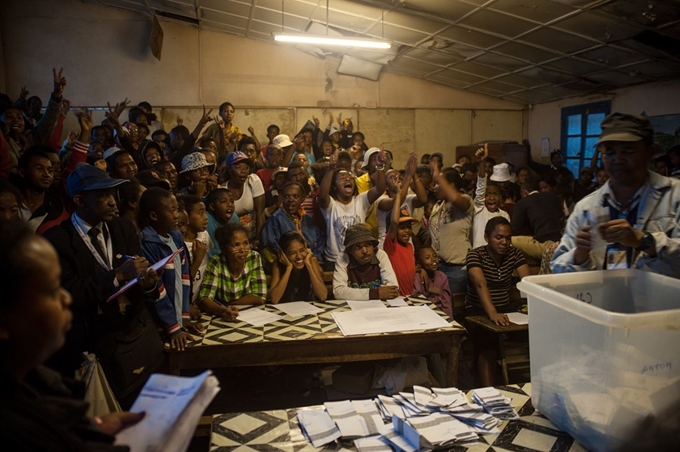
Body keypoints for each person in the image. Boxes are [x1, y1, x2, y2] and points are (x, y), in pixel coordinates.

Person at [0, 220, 146, 450]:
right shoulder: (13, 430)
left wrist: (93, 429)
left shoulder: (37, 385)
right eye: (51, 290)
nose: (66, 298)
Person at [44, 165, 164, 407]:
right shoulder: (58, 240)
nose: (112, 202)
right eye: (103, 195)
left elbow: (139, 276)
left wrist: (147, 283)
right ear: (79, 200)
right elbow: (71, 292)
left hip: (134, 335)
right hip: (94, 343)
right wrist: (117, 275)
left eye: (113, 194)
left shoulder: (122, 227)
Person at [551, 113, 680, 277]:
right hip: (601, 301)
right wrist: (581, 253)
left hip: (664, 302)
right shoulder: (586, 207)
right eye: (609, 153)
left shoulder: (674, 196)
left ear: (650, 152)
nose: (617, 160)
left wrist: (643, 241)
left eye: (628, 151)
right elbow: (557, 268)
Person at [465, 217, 531, 386]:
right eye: (499, 237)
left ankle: (535, 386)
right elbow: (480, 284)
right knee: (487, 344)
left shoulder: (514, 253)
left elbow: (529, 281)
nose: (504, 242)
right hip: (478, 311)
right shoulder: (475, 255)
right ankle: (490, 393)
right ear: (487, 237)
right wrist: (492, 313)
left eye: (508, 238)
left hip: (505, 309)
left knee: (537, 335)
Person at [139, 188, 203, 351]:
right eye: (172, 210)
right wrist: (173, 328)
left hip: (176, 320)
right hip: (161, 324)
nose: (177, 215)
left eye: (177, 209)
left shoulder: (175, 236)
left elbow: (184, 277)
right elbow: (158, 289)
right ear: (154, 216)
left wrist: (184, 316)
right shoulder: (148, 242)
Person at [318, 151, 386, 270]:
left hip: (357, 258)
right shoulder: (331, 205)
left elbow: (380, 189)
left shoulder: (360, 201)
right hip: (334, 260)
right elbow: (322, 196)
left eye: (350, 178)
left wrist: (380, 167)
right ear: (334, 186)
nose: (347, 180)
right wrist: (331, 168)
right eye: (342, 178)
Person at [199, 223, 266, 318]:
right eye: (236, 245)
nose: (243, 250)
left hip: (248, 314)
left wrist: (229, 305)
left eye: (246, 243)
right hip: (220, 315)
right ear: (224, 248)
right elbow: (205, 299)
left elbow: (260, 297)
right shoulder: (216, 262)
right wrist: (223, 310)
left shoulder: (254, 257)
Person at [429, 167, 474, 296]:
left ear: (451, 185)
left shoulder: (465, 200)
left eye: (439, 183)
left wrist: (438, 175)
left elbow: (455, 199)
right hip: (438, 266)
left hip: (457, 269)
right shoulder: (438, 205)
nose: (435, 187)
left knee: (454, 310)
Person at [261, 181, 325, 263]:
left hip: (311, 263)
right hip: (287, 266)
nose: (291, 200)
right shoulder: (275, 220)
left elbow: (320, 241)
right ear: (282, 198)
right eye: (286, 196)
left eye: (295, 196)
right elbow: (270, 247)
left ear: (303, 199)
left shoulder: (308, 220)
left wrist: (314, 258)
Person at [333, 223, 399, 301]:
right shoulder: (343, 257)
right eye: (358, 246)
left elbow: (393, 289)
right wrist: (375, 293)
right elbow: (338, 292)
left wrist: (354, 294)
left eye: (368, 244)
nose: (364, 251)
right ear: (349, 250)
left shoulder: (380, 255)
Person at [511, 179, 565, 261]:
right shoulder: (553, 196)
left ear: (524, 192)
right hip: (562, 241)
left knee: (510, 239)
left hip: (545, 245)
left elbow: (514, 230)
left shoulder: (523, 202)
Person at [269, 231, 328, 303]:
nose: (299, 256)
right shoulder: (277, 265)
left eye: (302, 250)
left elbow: (323, 296)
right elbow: (274, 299)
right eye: (292, 253)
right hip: (285, 309)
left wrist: (308, 266)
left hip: (308, 309)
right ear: (283, 254)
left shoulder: (311, 261)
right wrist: (288, 268)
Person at [177, 195, 212, 308]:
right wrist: (197, 260)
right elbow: (181, 282)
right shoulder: (179, 245)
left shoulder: (204, 235)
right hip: (184, 302)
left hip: (200, 301)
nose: (206, 217)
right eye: (200, 213)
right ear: (187, 216)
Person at [223, 151, 265, 243]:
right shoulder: (222, 189)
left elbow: (260, 212)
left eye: (246, 168)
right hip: (232, 239)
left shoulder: (253, 181)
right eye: (238, 167)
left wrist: (258, 239)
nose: (243, 171)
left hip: (253, 235)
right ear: (230, 170)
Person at [383, 190, 418, 296]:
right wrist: (398, 194)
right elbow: (394, 222)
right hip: (396, 296)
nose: (407, 230)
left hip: (409, 295)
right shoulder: (391, 245)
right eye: (402, 228)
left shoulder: (410, 246)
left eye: (409, 227)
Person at [413, 246, 452, 318]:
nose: (433, 260)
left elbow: (446, 303)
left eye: (435, 256)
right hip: (422, 315)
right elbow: (416, 302)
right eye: (427, 258)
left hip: (440, 315)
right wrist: (429, 292)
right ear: (419, 263)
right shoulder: (417, 277)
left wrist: (449, 319)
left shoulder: (442, 276)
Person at [205, 188, 239, 257]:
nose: (230, 205)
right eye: (223, 202)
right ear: (212, 206)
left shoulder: (234, 218)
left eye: (232, 201)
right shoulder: (206, 219)